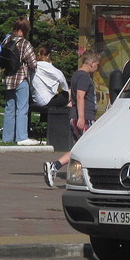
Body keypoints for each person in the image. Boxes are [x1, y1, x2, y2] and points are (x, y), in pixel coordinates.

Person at [43, 49, 100, 188]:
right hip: (83, 117)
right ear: (92, 63)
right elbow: (80, 96)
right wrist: (81, 117)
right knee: (86, 148)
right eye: (97, 64)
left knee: (80, 148)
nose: (97, 68)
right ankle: (55, 166)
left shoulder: (76, 75)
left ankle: (74, 174)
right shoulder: (84, 77)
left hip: (78, 116)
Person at [1, 18, 38, 146]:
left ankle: (7, 137)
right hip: (21, 79)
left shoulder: (6, 40)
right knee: (22, 108)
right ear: (25, 30)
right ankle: (21, 137)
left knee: (9, 108)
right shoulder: (25, 44)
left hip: (8, 79)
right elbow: (33, 63)